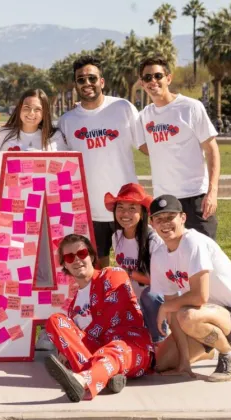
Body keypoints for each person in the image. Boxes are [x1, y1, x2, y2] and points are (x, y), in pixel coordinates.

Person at [149, 194, 231, 382]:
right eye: (159, 219)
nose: (165, 223)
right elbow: (172, 309)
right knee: (162, 363)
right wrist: (184, 362)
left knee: (187, 315)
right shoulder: (159, 255)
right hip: (203, 316)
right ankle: (222, 345)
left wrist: (167, 307)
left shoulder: (194, 243)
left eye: (170, 217)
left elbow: (199, 297)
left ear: (183, 218)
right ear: (152, 223)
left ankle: (229, 352)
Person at [0, 88, 68, 351]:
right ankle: (13, 328)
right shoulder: (3, 136)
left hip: (46, 218)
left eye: (37, 108)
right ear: (19, 107)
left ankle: (49, 331)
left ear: (45, 112)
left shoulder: (55, 137)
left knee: (49, 273)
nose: (32, 113)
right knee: (13, 273)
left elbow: (65, 172)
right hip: (11, 217)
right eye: (27, 107)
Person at [44, 234, 154, 402]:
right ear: (64, 264)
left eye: (81, 253)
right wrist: (65, 349)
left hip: (129, 345)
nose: (76, 260)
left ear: (92, 256)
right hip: (98, 351)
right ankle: (106, 377)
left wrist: (75, 347)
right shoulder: (73, 308)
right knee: (55, 321)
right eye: (69, 256)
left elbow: (110, 316)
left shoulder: (113, 274)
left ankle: (81, 381)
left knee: (113, 349)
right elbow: (75, 340)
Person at [59, 55, 143, 269]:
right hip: (91, 209)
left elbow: (146, 146)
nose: (87, 83)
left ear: (102, 82)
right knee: (98, 268)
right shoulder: (67, 121)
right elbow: (60, 166)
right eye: (81, 79)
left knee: (136, 267)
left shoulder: (123, 108)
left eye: (92, 78)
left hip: (126, 206)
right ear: (75, 84)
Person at [137, 57, 220, 240]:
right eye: (147, 77)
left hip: (196, 196)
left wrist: (212, 192)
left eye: (158, 75)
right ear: (142, 83)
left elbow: (211, 149)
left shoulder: (190, 107)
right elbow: (145, 147)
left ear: (168, 78)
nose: (153, 81)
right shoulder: (144, 116)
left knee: (205, 258)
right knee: (174, 259)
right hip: (165, 199)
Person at [104, 182, 165, 344]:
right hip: (132, 302)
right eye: (120, 207)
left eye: (132, 208)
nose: (125, 213)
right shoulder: (116, 236)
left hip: (156, 303)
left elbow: (161, 281)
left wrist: (126, 273)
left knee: (150, 295)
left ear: (143, 213)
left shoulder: (154, 240)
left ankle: (160, 340)